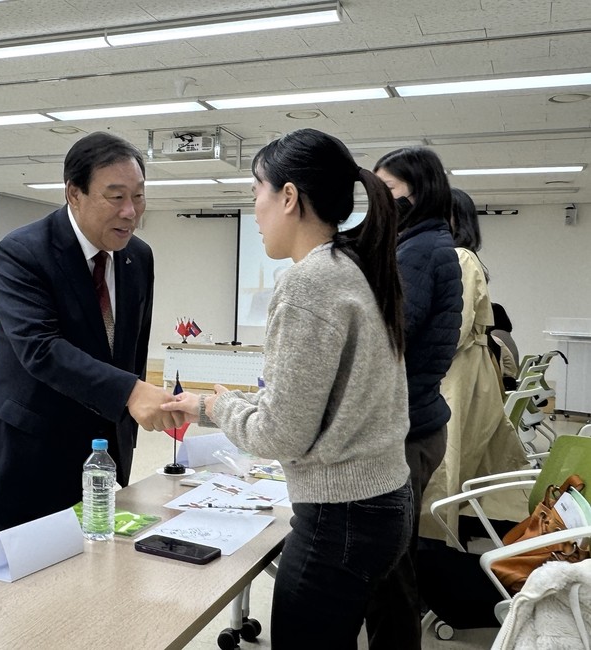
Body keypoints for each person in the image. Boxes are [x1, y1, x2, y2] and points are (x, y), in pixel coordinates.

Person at [161, 128, 413, 648]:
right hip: (381, 501)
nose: (254, 209)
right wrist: (215, 405)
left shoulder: (308, 282)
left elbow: (282, 435)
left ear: (289, 196)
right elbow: (318, 401)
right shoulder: (351, 266)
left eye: (257, 189)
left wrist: (215, 406)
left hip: (341, 518)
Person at [0, 131, 182, 552]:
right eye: (115, 197)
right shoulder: (23, 252)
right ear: (74, 194)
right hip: (25, 457)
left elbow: (131, 349)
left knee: (94, 575)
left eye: (138, 196)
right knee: (24, 581)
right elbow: (41, 349)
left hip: (101, 457)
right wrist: (131, 392)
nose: (130, 211)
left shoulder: (138, 256)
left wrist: (129, 418)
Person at [366, 146, 463, 650]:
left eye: (387, 190)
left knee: (390, 565)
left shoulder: (420, 251)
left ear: (417, 191)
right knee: (394, 557)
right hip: (418, 419)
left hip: (406, 427)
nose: (378, 200)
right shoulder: (425, 242)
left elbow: (385, 333)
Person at [419, 188, 527, 542]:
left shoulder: (459, 258)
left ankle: (434, 543)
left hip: (457, 371)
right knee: (453, 460)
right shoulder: (458, 257)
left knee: (445, 463)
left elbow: (454, 328)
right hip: (463, 369)